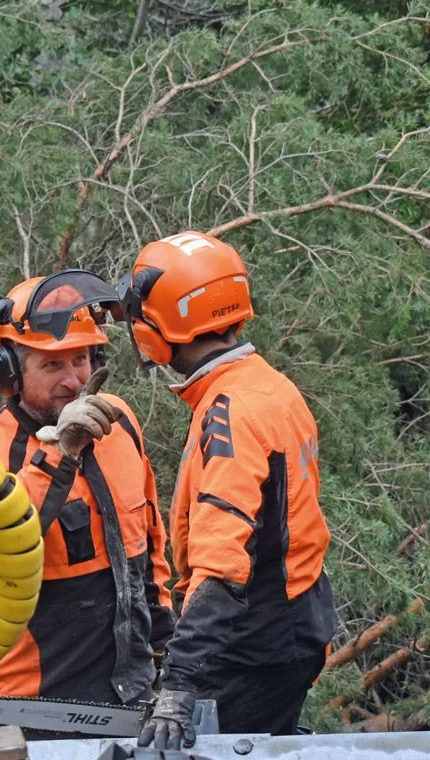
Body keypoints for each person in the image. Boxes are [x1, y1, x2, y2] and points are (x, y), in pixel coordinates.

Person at [112, 232, 337, 749]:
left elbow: (221, 566)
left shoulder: (230, 413)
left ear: (161, 327)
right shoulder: (269, 386)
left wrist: (181, 680)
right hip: (290, 624)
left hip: (252, 644)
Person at [0, 270, 176, 709]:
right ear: (11, 373)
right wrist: (61, 454)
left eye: (80, 359)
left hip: (129, 692)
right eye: (53, 365)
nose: (73, 380)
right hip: (31, 702)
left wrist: (166, 644)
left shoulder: (119, 421)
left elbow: (149, 548)